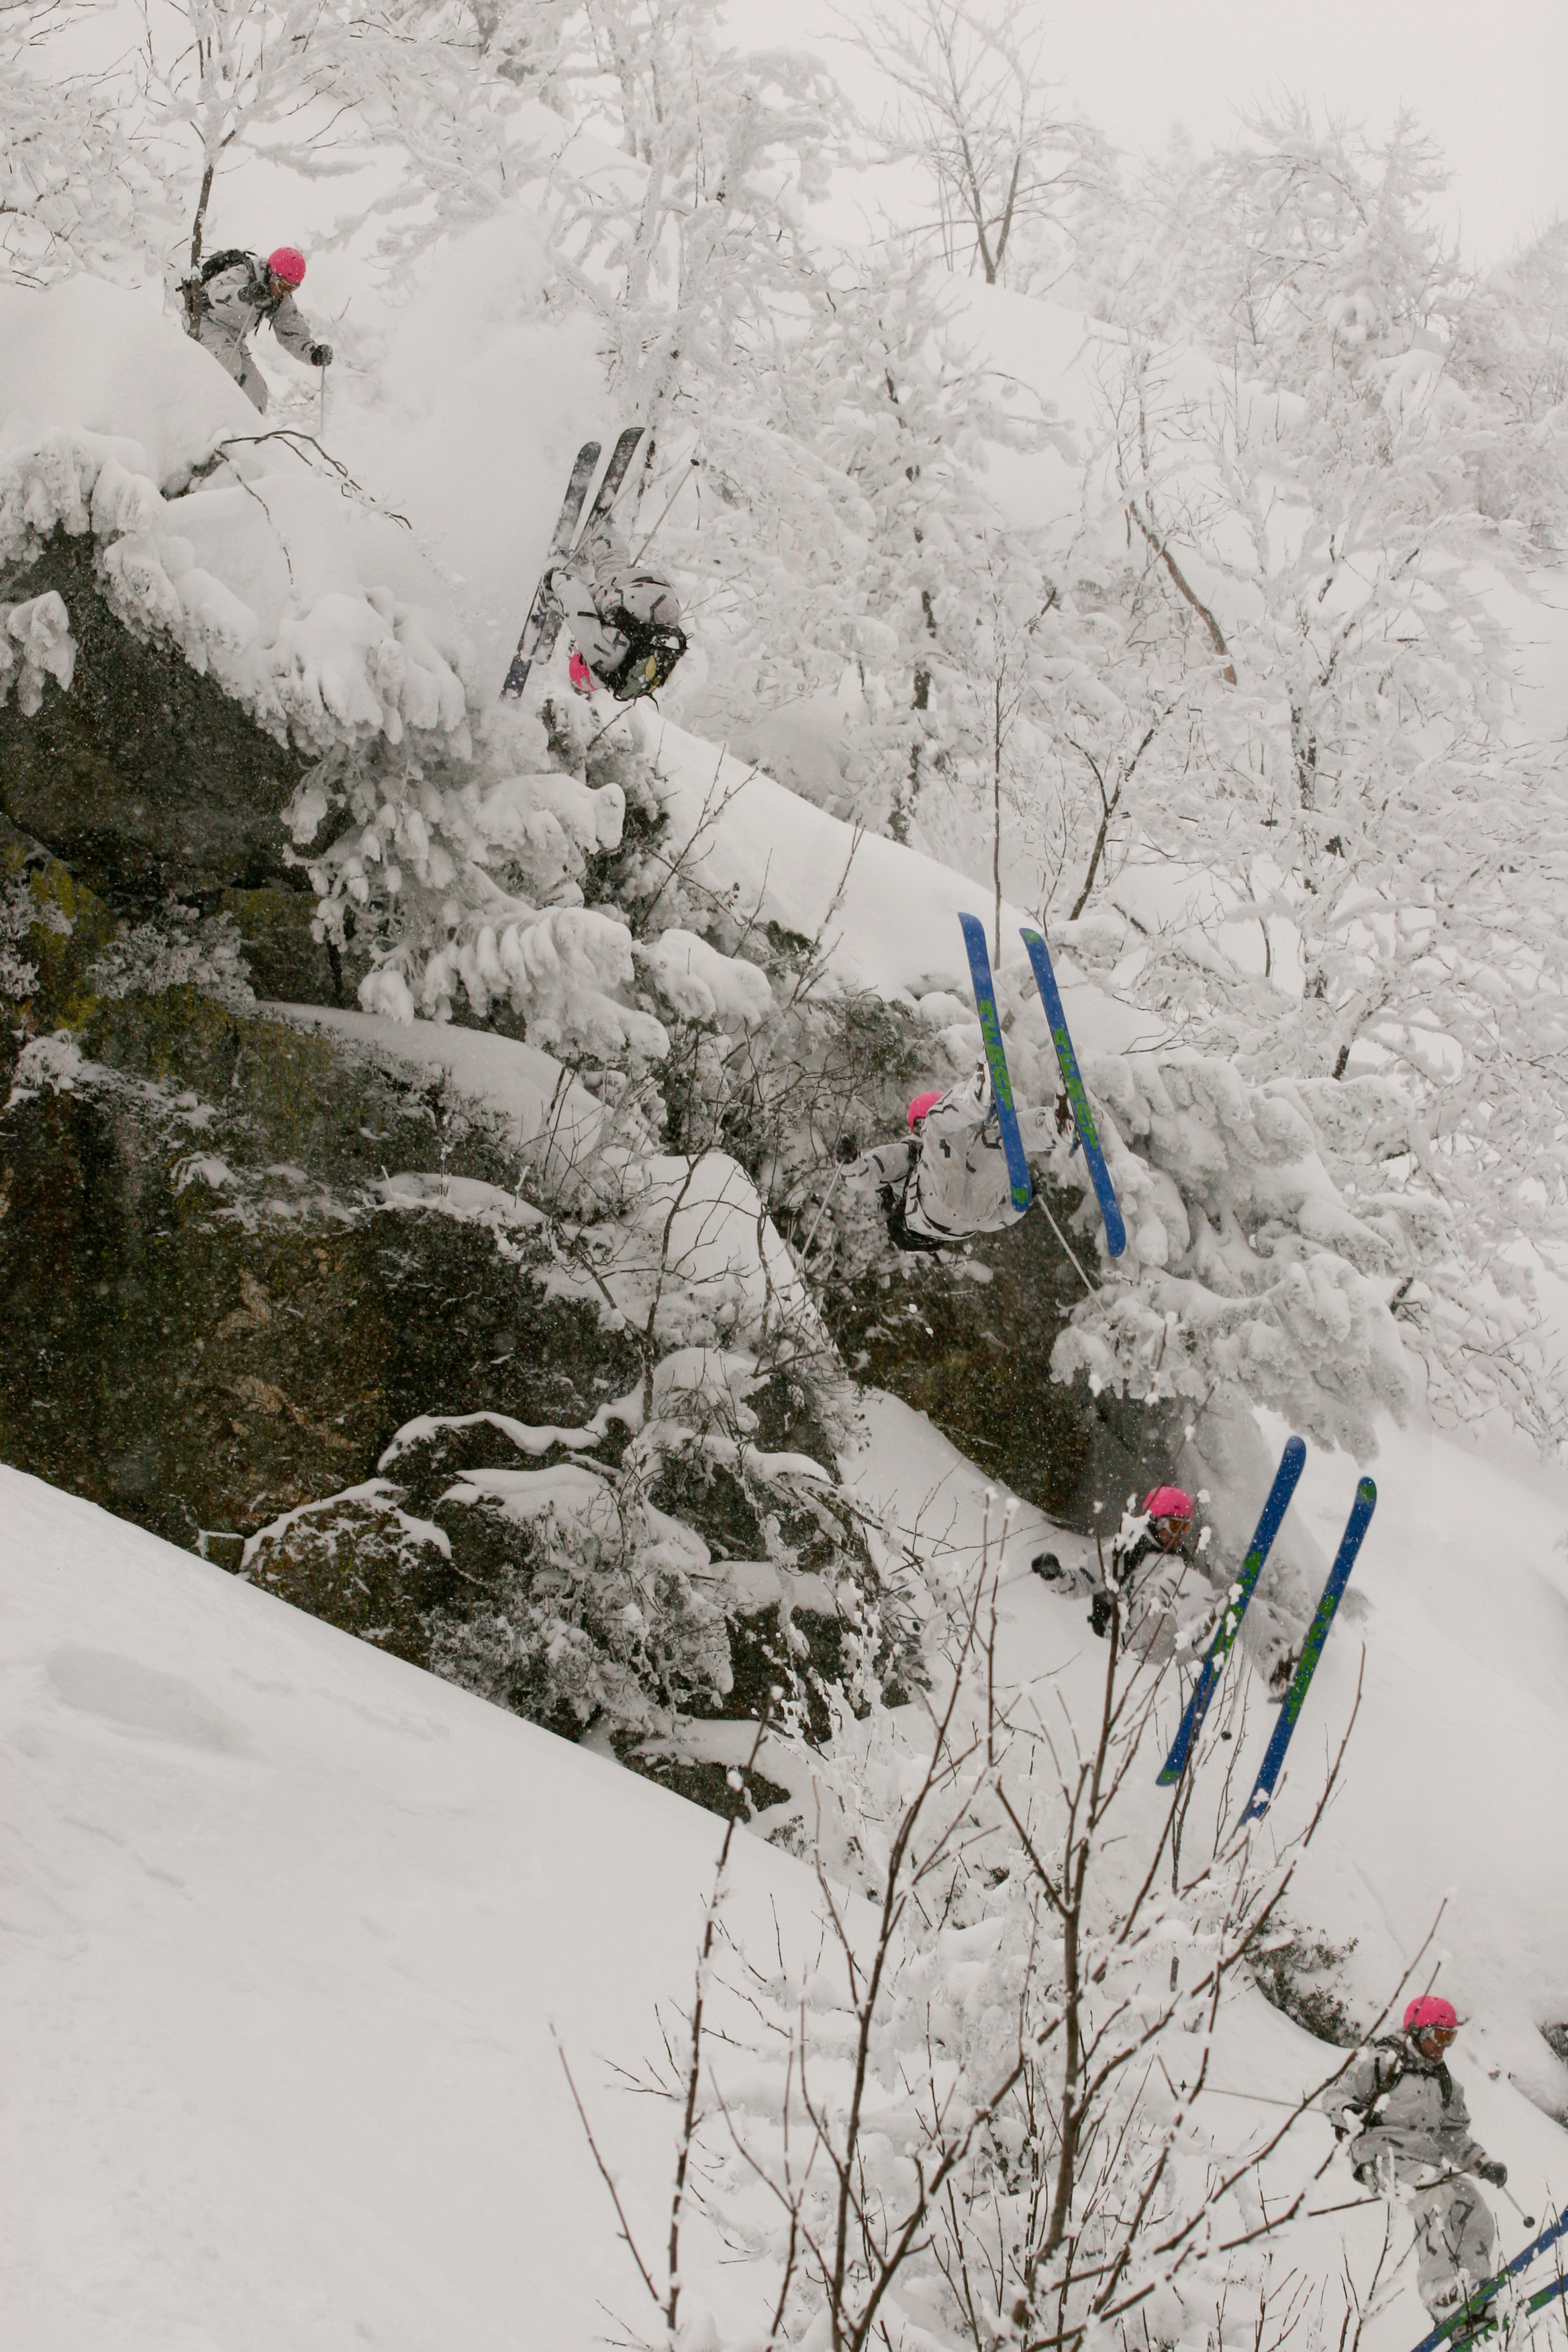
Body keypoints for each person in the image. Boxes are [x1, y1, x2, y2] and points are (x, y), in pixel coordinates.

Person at [1324, 1996, 1507, 2331]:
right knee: (1435, 2197)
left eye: (1449, 2039)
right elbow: (1336, 2093)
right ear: (1416, 2030)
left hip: (1425, 2162)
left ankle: (1475, 2288)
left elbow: (1452, 2137)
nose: (1442, 2047)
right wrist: (1348, 2112)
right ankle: (1440, 2293)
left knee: (1470, 2202)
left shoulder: (1444, 2082)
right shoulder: (1383, 2063)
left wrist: (1483, 2164)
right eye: (1438, 2036)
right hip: (1382, 2156)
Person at [1075, 1483, 1297, 1694]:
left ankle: (1277, 1665)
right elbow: (1083, 1577)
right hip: (1132, 1632)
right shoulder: (1129, 1546)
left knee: (1241, 1601)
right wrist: (1057, 1576)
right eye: (1173, 1527)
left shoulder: (1178, 1560)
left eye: (1185, 1528)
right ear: (1154, 1521)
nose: (1179, 1535)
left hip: (1173, 1645)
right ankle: (1201, 1630)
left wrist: (1222, 1608)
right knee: (1177, 1578)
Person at [854, 1069, 1061, 1253]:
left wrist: (1017, 1205)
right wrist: (850, 1164)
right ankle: (976, 1096)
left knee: (997, 1143)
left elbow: (988, 1221)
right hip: (929, 1206)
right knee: (940, 1126)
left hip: (965, 1226)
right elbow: (864, 1176)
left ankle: (1054, 1128)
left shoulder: (950, 1162)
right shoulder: (911, 1151)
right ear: (919, 1123)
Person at [549, 506, 686, 702]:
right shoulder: (598, 659)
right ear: (582, 664)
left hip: (665, 595)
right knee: (587, 601)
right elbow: (576, 601)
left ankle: (604, 529)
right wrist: (551, 580)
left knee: (612, 581)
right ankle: (562, 557)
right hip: (635, 595)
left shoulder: (626, 677)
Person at [185, 245, 334, 415]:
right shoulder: (242, 273)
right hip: (207, 321)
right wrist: (245, 294)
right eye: (283, 285)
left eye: (291, 289)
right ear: (272, 272)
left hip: (233, 333)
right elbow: (215, 293)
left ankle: (248, 432)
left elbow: (292, 333)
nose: (284, 292)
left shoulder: (279, 298)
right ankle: (209, 418)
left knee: (257, 392)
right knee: (228, 366)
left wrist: (313, 353)